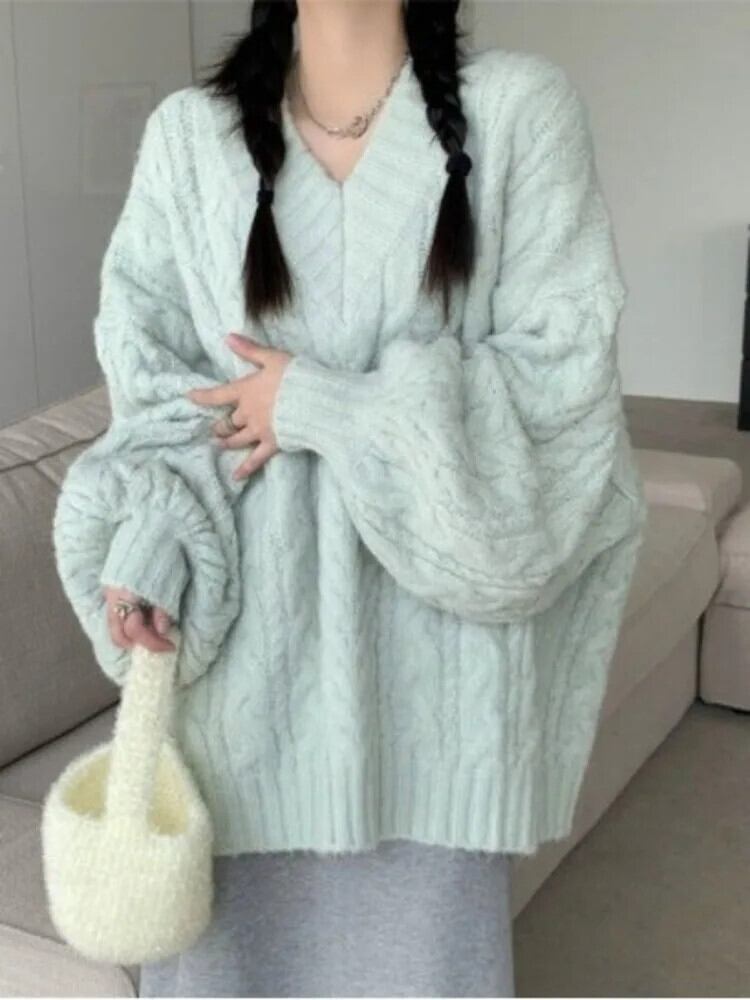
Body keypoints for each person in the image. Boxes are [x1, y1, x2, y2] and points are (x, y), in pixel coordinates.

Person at [51, 0, 648, 996]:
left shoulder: (518, 114)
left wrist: (320, 405)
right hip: (236, 730)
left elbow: (561, 402)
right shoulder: (189, 140)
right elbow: (152, 397)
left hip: (437, 734)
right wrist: (151, 545)